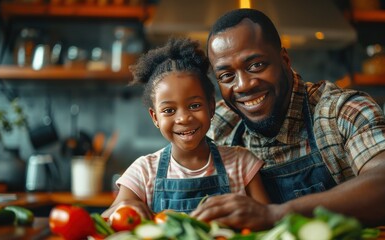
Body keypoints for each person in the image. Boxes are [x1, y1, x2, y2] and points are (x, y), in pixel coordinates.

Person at [191, 8, 385, 230]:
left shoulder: (339, 111)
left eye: (256, 65)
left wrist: (276, 215)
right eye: (227, 76)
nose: (243, 85)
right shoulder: (220, 125)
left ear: (285, 60)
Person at [102, 38, 269, 219]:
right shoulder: (143, 171)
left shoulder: (242, 163)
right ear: (155, 117)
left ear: (211, 107)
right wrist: (124, 206)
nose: (183, 118)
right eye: (169, 110)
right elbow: (106, 219)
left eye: (194, 105)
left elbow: (268, 221)